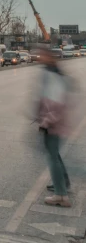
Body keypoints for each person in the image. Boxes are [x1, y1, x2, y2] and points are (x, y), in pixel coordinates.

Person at [36, 48, 72, 207]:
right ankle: (63, 182)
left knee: (52, 157)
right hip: (53, 121)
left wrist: (45, 122)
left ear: (49, 57)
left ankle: (61, 195)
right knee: (54, 154)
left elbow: (57, 103)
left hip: (53, 123)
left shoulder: (53, 74)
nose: (38, 57)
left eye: (41, 54)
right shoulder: (51, 71)